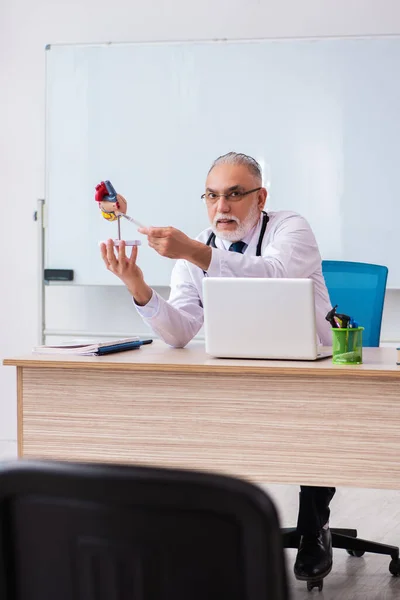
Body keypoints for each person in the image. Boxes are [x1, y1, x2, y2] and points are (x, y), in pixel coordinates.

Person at [100, 152, 335, 583]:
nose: (221, 208)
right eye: (212, 196)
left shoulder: (290, 228)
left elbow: (276, 274)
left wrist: (194, 252)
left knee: (311, 422)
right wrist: (138, 287)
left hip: (312, 373)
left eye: (234, 195)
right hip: (239, 375)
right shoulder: (198, 245)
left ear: (260, 197)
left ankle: (313, 526)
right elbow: (181, 330)